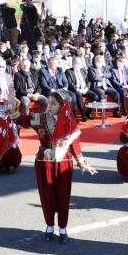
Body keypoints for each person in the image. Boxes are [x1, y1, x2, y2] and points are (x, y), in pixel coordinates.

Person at [29, 91, 97, 243]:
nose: (50, 106)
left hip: (64, 164)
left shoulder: (70, 123)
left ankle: (62, 228)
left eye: (54, 103)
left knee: (63, 197)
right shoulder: (41, 118)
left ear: (63, 105)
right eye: (49, 102)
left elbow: (75, 146)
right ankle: (49, 227)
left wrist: (83, 164)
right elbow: (24, 119)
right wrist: (12, 108)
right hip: (44, 162)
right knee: (47, 197)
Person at [0, 99, 22, 173]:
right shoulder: (0, 106)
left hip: (10, 126)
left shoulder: (14, 104)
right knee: (0, 140)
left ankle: (8, 164)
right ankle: (0, 164)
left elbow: (17, 106)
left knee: (9, 141)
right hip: (1, 125)